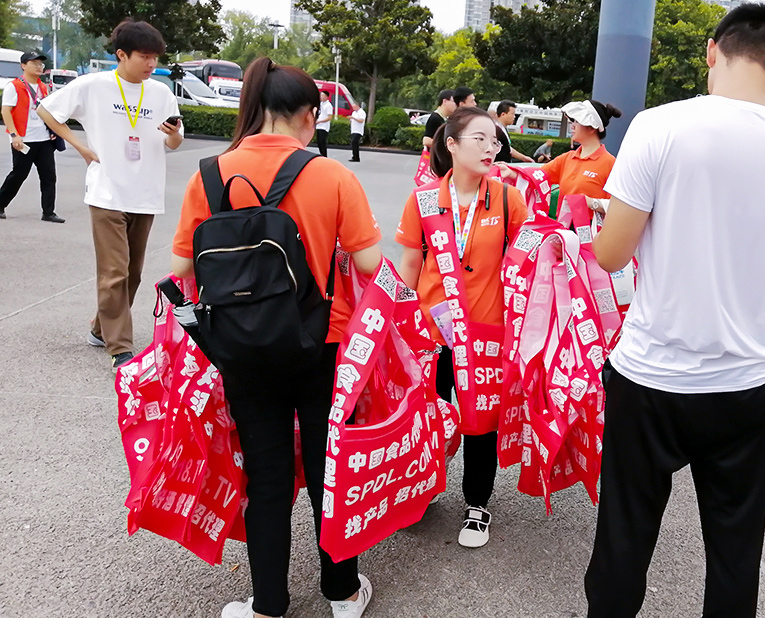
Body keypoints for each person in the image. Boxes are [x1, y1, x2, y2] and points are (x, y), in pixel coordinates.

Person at [584, 5, 765, 617]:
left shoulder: (659, 126)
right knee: (734, 545)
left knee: (624, 537)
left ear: (710, 51)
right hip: (746, 380)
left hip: (651, 373)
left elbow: (612, 256)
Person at [171, 57, 382, 618]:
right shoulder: (333, 175)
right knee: (327, 471)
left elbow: (184, 270)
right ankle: (341, 594)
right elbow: (370, 261)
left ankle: (267, 604)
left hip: (240, 347)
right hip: (322, 345)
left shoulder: (209, 174)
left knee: (265, 475)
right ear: (308, 115)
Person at [396, 107, 528, 549]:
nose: (492, 148)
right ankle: (425, 487)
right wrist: (405, 324)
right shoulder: (424, 200)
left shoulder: (510, 198)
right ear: (450, 143)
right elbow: (412, 263)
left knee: (480, 421)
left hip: (487, 335)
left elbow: (529, 259)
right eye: (480, 139)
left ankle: (477, 502)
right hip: (432, 334)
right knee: (430, 415)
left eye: (495, 141)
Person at [38, 20, 183, 369]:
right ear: (121, 54)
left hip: (146, 192)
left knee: (132, 272)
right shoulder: (93, 85)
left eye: (154, 58)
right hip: (107, 192)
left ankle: (100, 328)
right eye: (144, 57)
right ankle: (120, 348)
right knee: (114, 270)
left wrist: (174, 134)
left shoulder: (161, 92)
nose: (151, 64)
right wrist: (80, 147)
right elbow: (46, 109)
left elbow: (174, 142)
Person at [0, 50, 62, 222]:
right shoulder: (15, 86)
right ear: (23, 66)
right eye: (34, 63)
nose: (38, 66)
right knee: (18, 175)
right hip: (24, 139)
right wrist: (14, 135)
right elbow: (6, 111)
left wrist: (52, 131)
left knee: (49, 176)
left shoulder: (43, 87)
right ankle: (0, 204)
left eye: (40, 63)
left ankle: (48, 212)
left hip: (43, 139)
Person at [532, 99, 621, 215]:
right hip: (564, 229)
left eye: (577, 121)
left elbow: (618, 207)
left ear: (591, 128)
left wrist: (592, 203)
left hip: (592, 230)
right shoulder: (567, 158)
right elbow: (536, 176)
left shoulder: (610, 163)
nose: (572, 126)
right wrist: (511, 171)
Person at [315, 91, 333, 157]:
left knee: (322, 142)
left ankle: (324, 156)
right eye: (321, 95)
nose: (321, 97)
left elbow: (329, 117)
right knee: (319, 142)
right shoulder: (321, 104)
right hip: (319, 126)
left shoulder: (328, 105)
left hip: (324, 126)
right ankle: (322, 154)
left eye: (322, 95)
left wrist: (320, 121)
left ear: (326, 97)